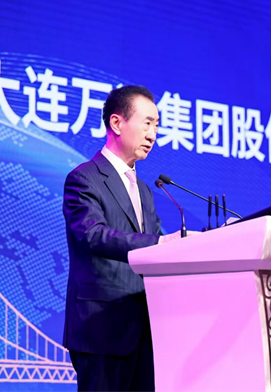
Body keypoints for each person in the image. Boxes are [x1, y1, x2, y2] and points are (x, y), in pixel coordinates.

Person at [62, 85, 180, 391]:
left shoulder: (145, 191)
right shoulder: (84, 178)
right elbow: (92, 235)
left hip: (145, 329)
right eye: (147, 123)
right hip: (102, 327)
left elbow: (156, 248)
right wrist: (159, 243)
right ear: (116, 123)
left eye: (157, 125)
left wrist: (184, 246)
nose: (153, 135)